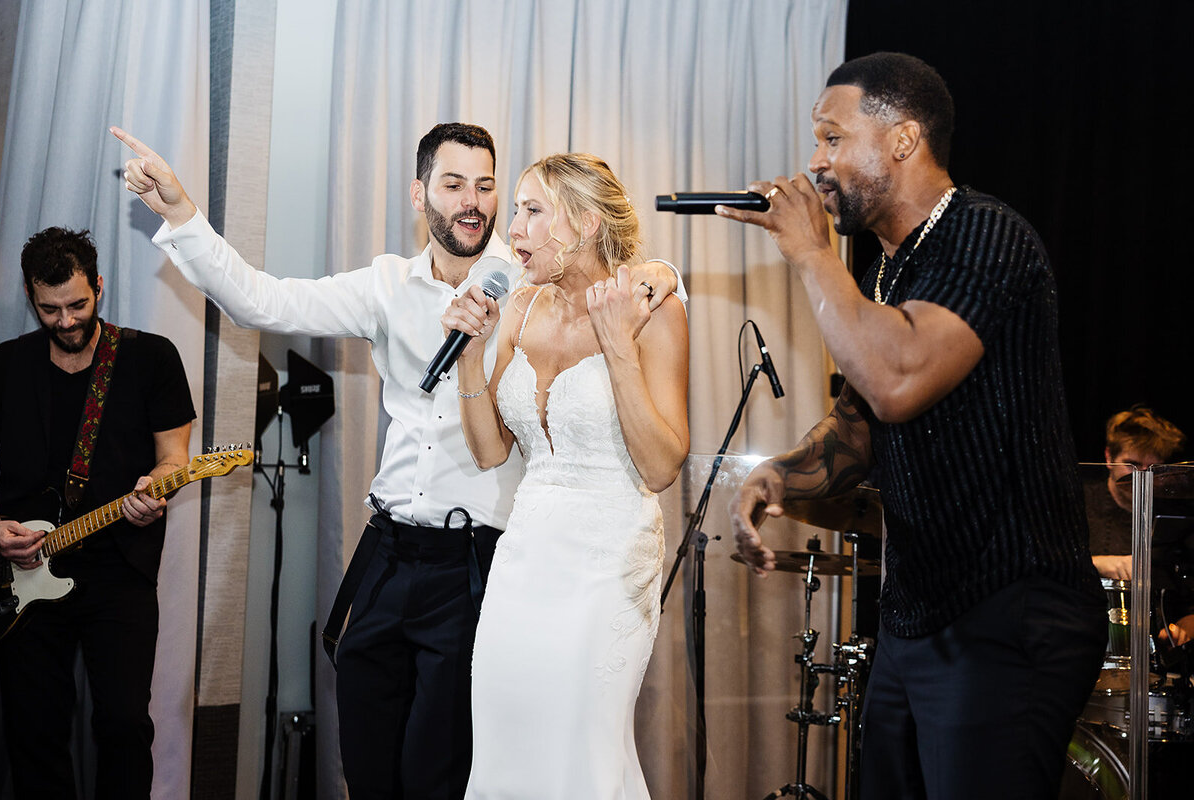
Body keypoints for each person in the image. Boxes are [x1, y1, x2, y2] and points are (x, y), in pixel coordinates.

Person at [111, 124, 683, 799]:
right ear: (420, 195)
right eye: (453, 184)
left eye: (486, 186)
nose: (473, 202)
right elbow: (260, 299)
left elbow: (634, 283)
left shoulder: (522, 277)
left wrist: (657, 273)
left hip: (484, 559)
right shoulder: (388, 286)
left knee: (446, 765)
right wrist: (181, 213)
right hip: (388, 551)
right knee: (368, 747)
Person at [721, 52, 1106, 799]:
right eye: (816, 141)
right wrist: (778, 475)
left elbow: (897, 381)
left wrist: (807, 250)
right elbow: (859, 428)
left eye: (833, 138)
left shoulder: (988, 236)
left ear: (903, 140)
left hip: (1010, 613)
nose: (816, 161)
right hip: (920, 615)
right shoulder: (887, 273)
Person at [440, 152, 688, 798]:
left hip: (609, 561)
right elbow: (491, 452)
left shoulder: (651, 306)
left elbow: (663, 464)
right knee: (505, 737)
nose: (512, 228)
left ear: (581, 221)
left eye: (530, 211)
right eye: (516, 211)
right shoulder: (520, 308)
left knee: (582, 746)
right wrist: (470, 359)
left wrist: (617, 345)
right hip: (525, 558)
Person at [0, 227, 195, 799]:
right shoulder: (5, 366)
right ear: (31, 297)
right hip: (22, 573)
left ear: (99, 287)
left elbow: (173, 460)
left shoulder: (151, 358)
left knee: (125, 723)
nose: (64, 321)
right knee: (34, 731)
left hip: (118, 570)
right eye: (49, 308)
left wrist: (151, 494)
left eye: (77, 304)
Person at [1086, 406, 1192, 643]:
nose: (1141, 477)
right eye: (1131, 464)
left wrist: (1184, 628)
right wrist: (1099, 564)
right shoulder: (1077, 502)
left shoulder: (1177, 516)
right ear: (1108, 457)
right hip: (1083, 641)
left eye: (1153, 469)